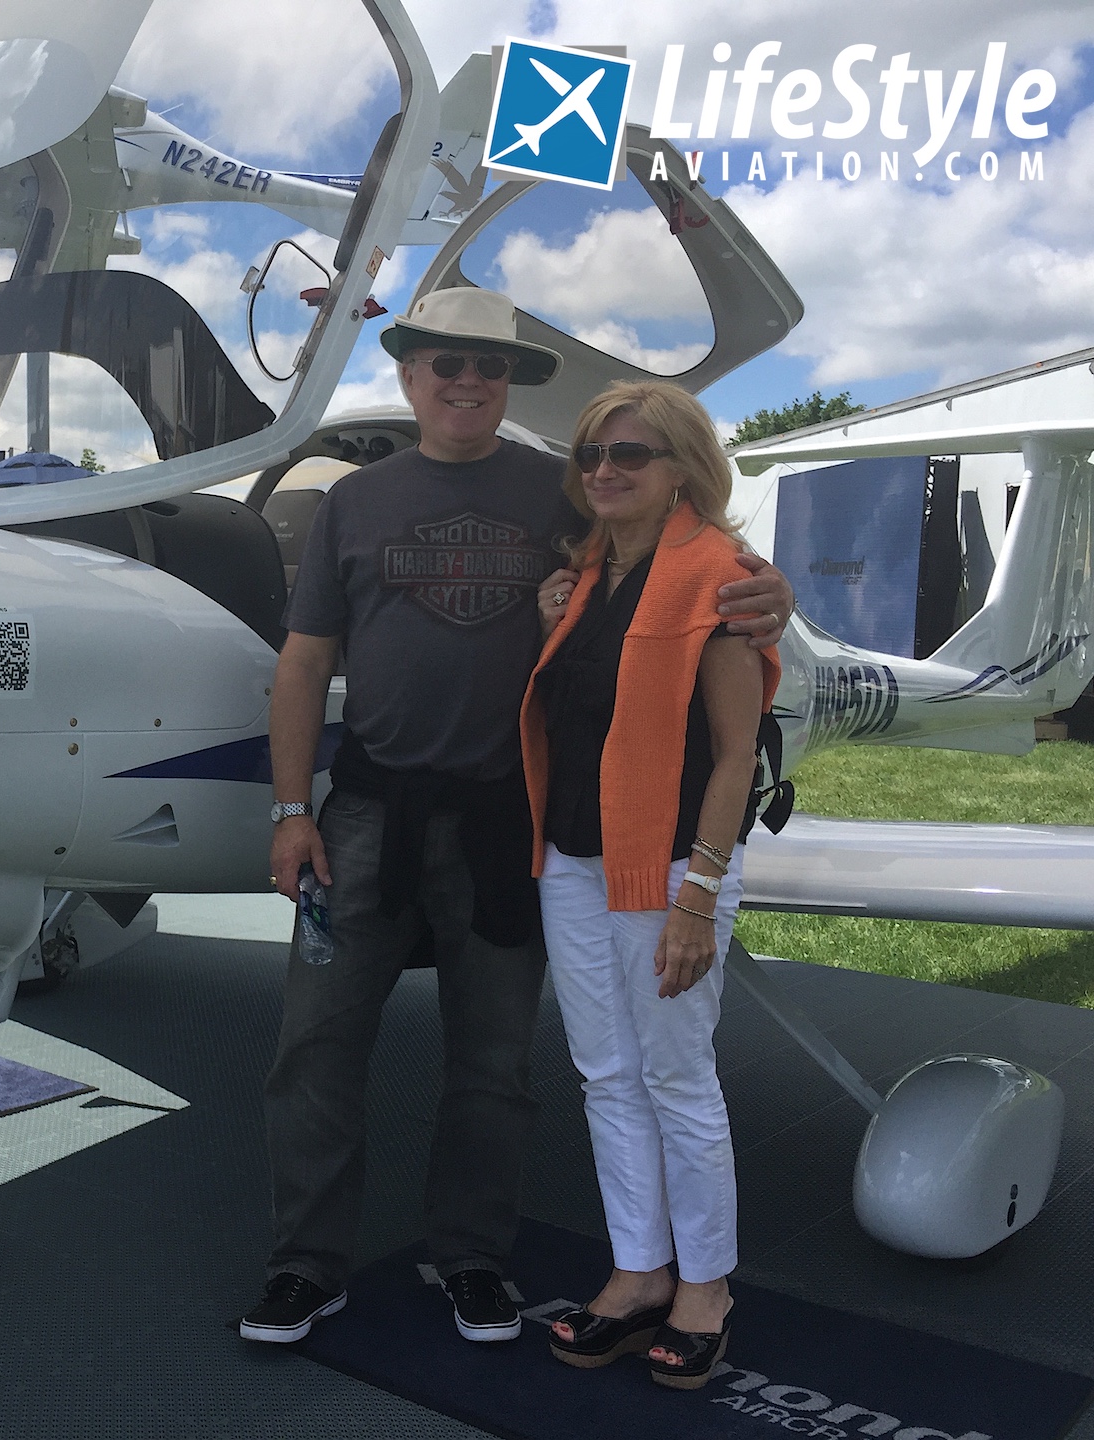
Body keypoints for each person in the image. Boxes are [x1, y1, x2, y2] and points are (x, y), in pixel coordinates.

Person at [241, 287, 793, 1347]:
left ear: (507, 385)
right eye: (442, 361)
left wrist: (771, 596)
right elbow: (304, 659)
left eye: (486, 366)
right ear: (407, 376)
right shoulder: (351, 504)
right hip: (366, 813)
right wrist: (287, 806)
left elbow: (690, 559)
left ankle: (471, 1259)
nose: (464, 380)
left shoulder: (568, 494)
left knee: (494, 1060)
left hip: (510, 823)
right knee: (313, 1047)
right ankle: (305, 1265)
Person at [524, 381, 779, 1389]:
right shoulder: (582, 578)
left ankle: (704, 1290)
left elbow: (732, 759)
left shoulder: (718, 578)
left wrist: (696, 898)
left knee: (675, 1076)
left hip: (668, 866)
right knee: (605, 1075)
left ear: (681, 466)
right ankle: (635, 1272)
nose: (603, 470)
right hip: (573, 865)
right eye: (591, 453)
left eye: (629, 453)